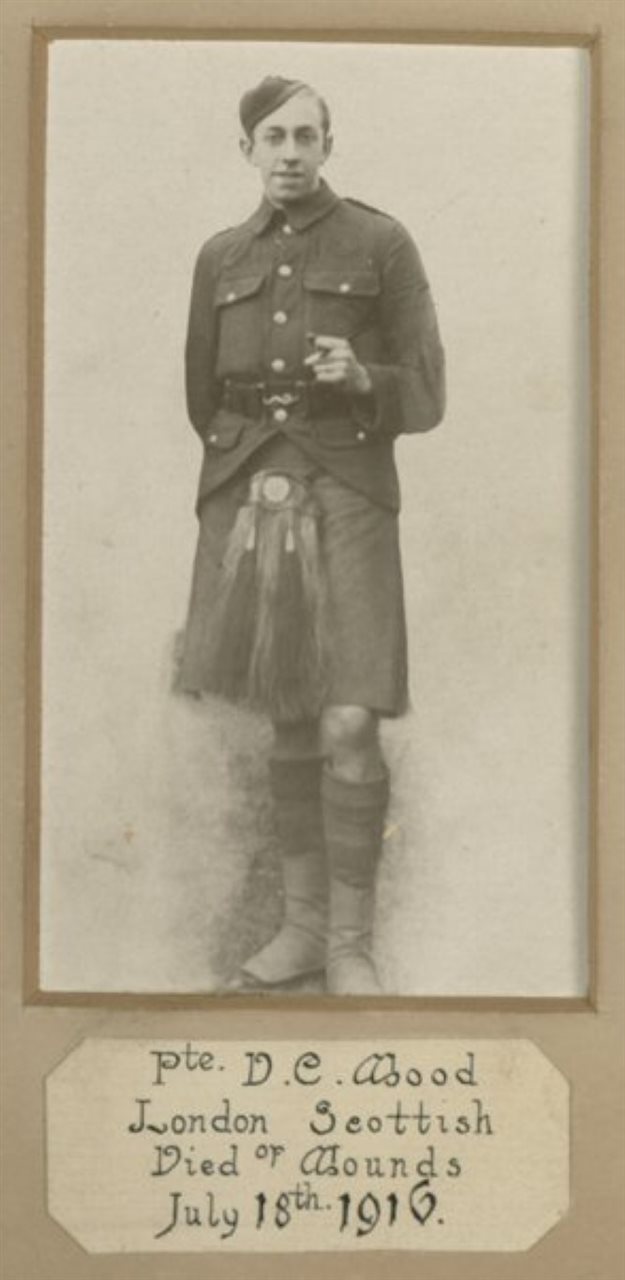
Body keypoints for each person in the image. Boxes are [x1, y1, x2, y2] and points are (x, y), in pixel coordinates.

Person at [179, 75, 445, 994]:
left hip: (351, 486)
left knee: (348, 716)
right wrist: (252, 480)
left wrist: (365, 380)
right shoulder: (220, 256)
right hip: (249, 490)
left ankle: (348, 945)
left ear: (328, 145)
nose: (289, 152)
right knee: (288, 713)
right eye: (273, 137)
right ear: (246, 150)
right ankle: (300, 929)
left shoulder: (381, 241)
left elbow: (427, 389)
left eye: (305, 135)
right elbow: (201, 394)